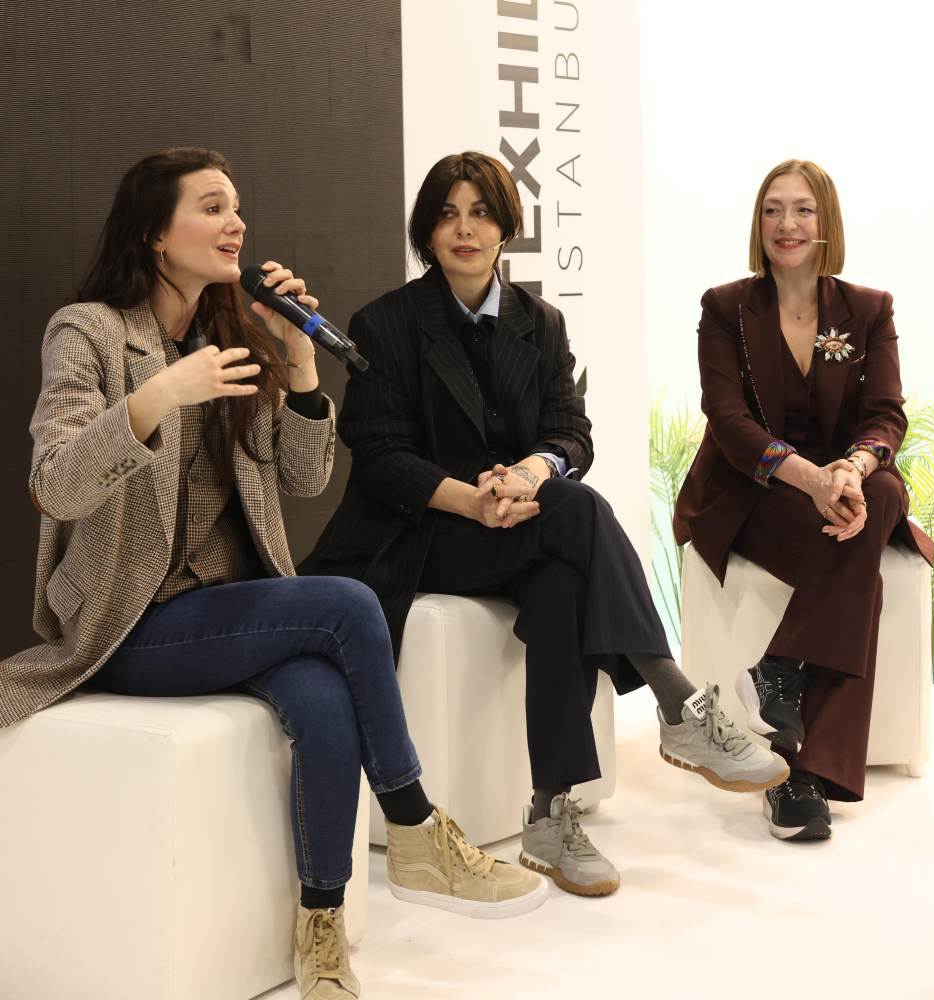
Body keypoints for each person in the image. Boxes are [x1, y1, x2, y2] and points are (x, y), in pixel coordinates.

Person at [0, 147, 546, 1000]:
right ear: (154, 234)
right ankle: (412, 824)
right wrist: (156, 398)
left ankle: (321, 934)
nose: (238, 224)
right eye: (213, 208)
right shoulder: (90, 331)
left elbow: (302, 479)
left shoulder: (236, 332)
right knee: (346, 605)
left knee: (324, 703)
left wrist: (297, 360)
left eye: (239, 207)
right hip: (128, 623)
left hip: (224, 611)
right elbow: (55, 484)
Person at [299, 151, 788, 897]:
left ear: (507, 228)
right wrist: (474, 498)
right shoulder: (387, 323)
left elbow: (571, 432)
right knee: (579, 512)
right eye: (448, 213)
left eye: (481, 213)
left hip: (524, 523)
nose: (464, 229)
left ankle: (550, 813)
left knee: (562, 578)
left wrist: (529, 472)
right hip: (421, 537)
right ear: (426, 229)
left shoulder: (539, 321)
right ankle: (676, 701)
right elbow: (381, 458)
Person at [674, 159, 934, 842]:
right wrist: (810, 480)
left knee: (878, 491)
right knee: (860, 580)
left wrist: (848, 467)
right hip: (750, 491)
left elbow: (886, 415)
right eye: (772, 210)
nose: (786, 225)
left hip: (843, 488)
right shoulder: (724, 307)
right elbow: (728, 423)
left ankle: (785, 721)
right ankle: (800, 765)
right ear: (757, 224)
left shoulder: (869, 309)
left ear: (827, 223)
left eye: (802, 210)